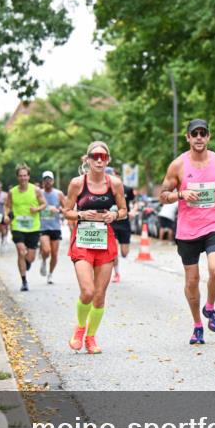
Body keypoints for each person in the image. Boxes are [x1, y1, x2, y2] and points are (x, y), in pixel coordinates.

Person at [158, 119, 215, 344]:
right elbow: (163, 194)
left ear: (208, 137)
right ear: (188, 137)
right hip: (188, 229)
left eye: (203, 133)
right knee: (192, 281)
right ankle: (198, 325)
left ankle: (209, 307)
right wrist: (181, 195)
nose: (199, 137)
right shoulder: (178, 165)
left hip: (214, 224)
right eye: (195, 134)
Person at [62, 141, 128, 354]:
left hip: (104, 240)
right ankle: (80, 328)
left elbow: (124, 210)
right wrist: (80, 214)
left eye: (103, 156)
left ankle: (91, 338)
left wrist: (114, 215)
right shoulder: (77, 183)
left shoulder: (115, 183)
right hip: (82, 240)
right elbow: (67, 211)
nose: (99, 160)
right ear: (87, 159)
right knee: (88, 291)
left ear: (107, 160)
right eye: (95, 156)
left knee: (100, 294)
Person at [5, 165, 47, 292]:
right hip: (18, 226)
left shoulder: (36, 190)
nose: (23, 178)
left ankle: (27, 263)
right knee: (21, 251)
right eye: (20, 175)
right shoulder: (12, 192)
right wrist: (6, 216)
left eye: (25, 175)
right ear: (17, 177)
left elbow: (44, 204)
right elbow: (7, 206)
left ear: (28, 176)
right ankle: (24, 281)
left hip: (33, 227)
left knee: (30, 257)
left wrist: (37, 209)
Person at [107, 166, 134, 283]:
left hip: (124, 224)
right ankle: (117, 273)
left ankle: (121, 257)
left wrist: (133, 211)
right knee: (114, 250)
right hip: (112, 224)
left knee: (124, 253)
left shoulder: (127, 189)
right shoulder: (106, 190)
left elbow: (135, 202)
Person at [38, 171, 66, 284]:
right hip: (42, 227)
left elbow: (66, 209)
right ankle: (44, 260)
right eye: (45, 179)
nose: (47, 182)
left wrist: (58, 210)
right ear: (42, 181)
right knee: (46, 250)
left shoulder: (58, 194)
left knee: (54, 253)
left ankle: (50, 274)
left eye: (49, 179)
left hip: (55, 227)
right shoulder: (38, 193)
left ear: (53, 181)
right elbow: (33, 207)